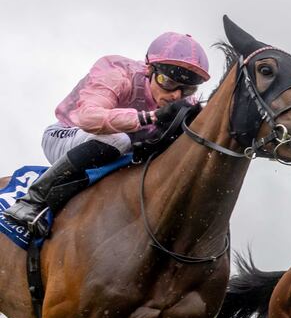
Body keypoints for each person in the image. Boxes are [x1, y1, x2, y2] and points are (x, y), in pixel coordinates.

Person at [3, 32, 210, 238]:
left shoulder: (185, 102)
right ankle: (32, 200)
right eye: (168, 82)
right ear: (149, 69)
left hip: (119, 152)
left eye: (187, 89)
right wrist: (149, 117)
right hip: (67, 134)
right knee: (119, 139)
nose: (175, 95)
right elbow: (88, 117)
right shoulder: (117, 72)